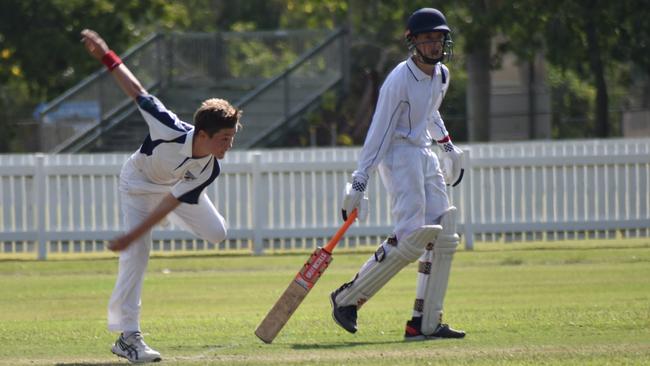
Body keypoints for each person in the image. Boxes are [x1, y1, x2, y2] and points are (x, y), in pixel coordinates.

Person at [81, 29, 242, 363]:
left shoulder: (209, 167)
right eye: (224, 138)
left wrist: (138, 230)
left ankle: (152, 230)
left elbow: (171, 202)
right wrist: (106, 54)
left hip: (172, 191)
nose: (229, 145)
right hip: (138, 184)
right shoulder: (167, 127)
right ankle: (128, 338)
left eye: (232, 137)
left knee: (217, 233)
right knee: (137, 255)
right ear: (202, 133)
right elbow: (137, 91)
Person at [329, 8, 466, 341]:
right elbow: (379, 132)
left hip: (422, 150)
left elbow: (431, 113)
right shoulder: (398, 81)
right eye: (428, 39)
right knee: (411, 237)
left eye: (439, 38)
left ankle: (425, 323)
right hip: (398, 154)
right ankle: (346, 300)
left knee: (444, 232)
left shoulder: (442, 75)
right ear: (414, 41)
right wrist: (360, 181)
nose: (435, 45)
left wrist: (448, 147)